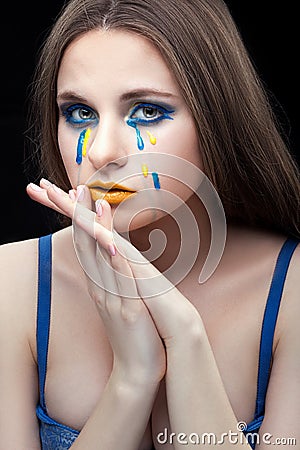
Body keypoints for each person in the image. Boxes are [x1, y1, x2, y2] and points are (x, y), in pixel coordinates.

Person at [1, 0, 299, 449]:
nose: (102, 152)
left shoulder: (292, 291)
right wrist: (133, 378)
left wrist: (185, 337)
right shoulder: (14, 282)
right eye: (79, 113)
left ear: (217, 117)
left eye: (146, 111)